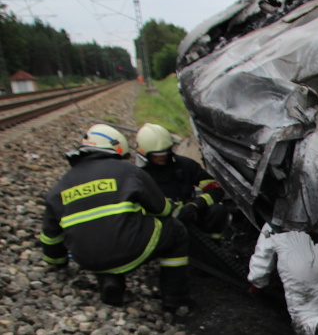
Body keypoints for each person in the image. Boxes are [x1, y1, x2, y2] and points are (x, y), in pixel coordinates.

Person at [39, 124, 192, 309]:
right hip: (129, 251)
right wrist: (173, 207)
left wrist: (57, 263)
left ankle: (110, 280)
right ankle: (175, 298)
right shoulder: (128, 171)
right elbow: (161, 209)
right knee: (175, 231)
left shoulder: (59, 188)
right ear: (117, 148)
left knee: (99, 233)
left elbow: (50, 236)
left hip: (88, 260)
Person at [136, 123, 228, 239]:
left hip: (192, 217)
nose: (162, 157)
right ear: (145, 155)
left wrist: (196, 205)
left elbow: (216, 189)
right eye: (157, 155)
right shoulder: (139, 176)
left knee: (217, 211)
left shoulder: (185, 165)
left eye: (166, 153)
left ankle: (215, 244)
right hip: (164, 225)